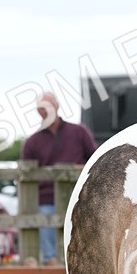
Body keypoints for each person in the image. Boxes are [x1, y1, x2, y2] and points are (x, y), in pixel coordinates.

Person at [20, 92, 97, 263]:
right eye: (42, 107)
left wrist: (78, 169)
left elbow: (95, 159)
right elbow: (26, 174)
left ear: (57, 106)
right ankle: (51, 263)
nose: (46, 110)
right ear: (38, 111)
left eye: (49, 106)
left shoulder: (79, 132)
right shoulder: (32, 142)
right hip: (46, 199)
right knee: (45, 221)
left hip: (79, 196)